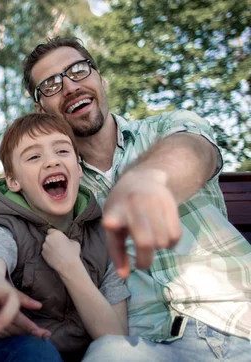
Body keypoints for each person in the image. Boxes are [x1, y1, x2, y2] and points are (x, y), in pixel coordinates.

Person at [22, 37, 251, 361]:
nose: (70, 86)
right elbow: (1, 226)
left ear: (101, 79)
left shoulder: (167, 129)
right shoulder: (55, 187)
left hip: (240, 320)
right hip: (144, 347)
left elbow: (193, 150)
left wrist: (149, 177)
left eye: (78, 70)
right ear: (40, 108)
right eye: (51, 85)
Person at [0, 113, 129, 362]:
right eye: (34, 156)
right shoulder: (7, 227)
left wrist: (70, 267)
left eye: (62, 151)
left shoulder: (103, 237)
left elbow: (115, 335)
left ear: (78, 168)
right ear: (13, 180)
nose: (51, 162)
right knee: (38, 352)